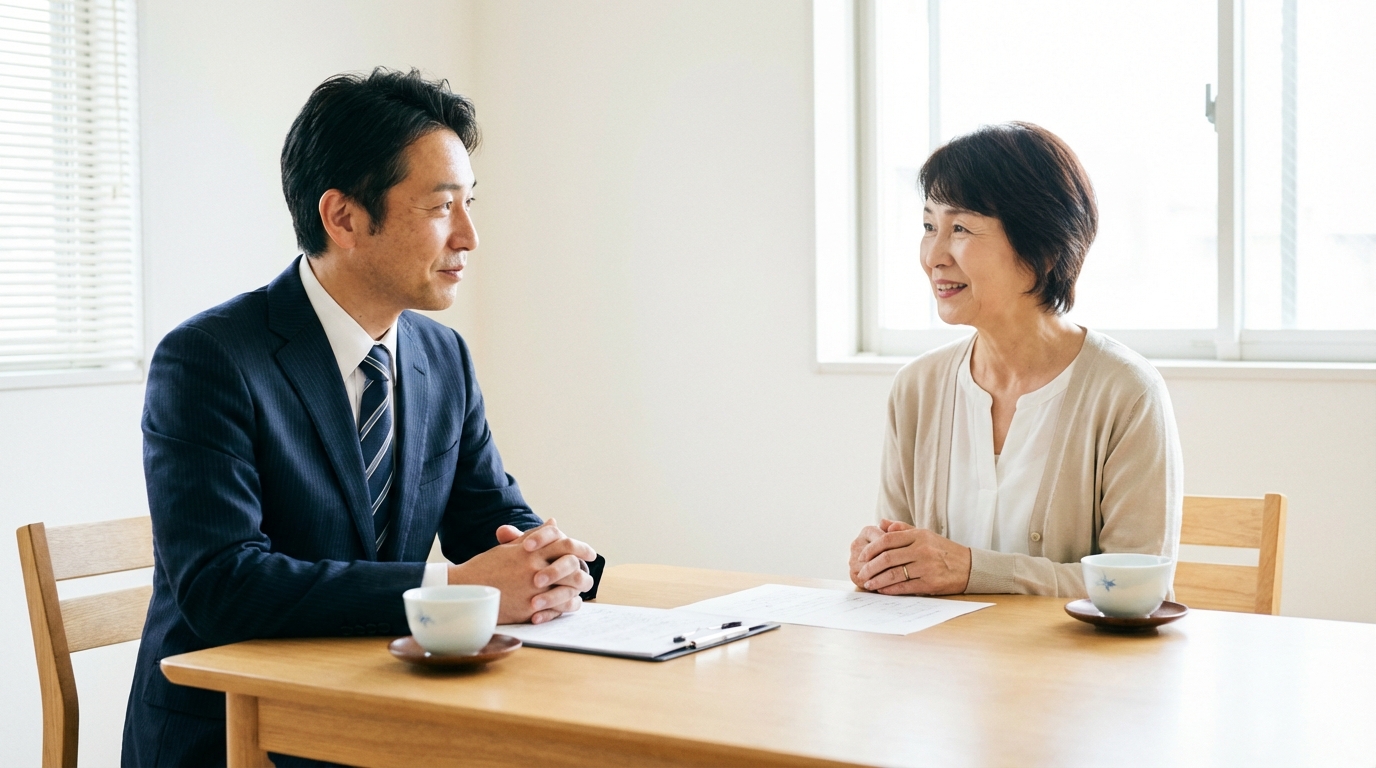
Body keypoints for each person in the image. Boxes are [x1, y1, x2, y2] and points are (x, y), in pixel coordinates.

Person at [122, 68, 604, 767]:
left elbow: (489, 517)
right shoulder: (209, 359)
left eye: (469, 203)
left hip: (381, 710)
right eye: (441, 207)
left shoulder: (441, 356)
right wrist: (457, 589)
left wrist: (550, 566)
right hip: (235, 733)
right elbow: (222, 586)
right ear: (343, 218)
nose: (469, 236)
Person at [849, 122, 1182, 598]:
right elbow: (904, 570)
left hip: (1066, 652)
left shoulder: (1126, 392)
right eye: (928, 226)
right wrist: (880, 563)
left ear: (1042, 248)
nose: (934, 256)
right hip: (936, 649)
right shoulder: (917, 387)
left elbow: (1136, 588)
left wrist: (973, 571)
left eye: (960, 228)